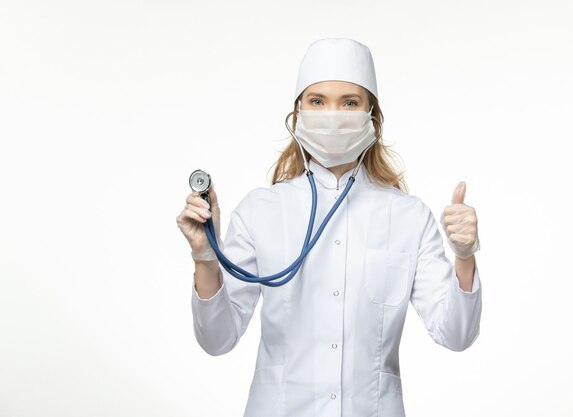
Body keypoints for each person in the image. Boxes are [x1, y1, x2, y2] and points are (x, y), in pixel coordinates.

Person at [176, 37, 482, 417]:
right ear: (298, 112)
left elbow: (455, 335)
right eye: (317, 101)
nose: (332, 115)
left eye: (350, 102)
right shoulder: (261, 210)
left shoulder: (410, 217)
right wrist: (205, 258)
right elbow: (217, 340)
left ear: (373, 116)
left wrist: (464, 258)